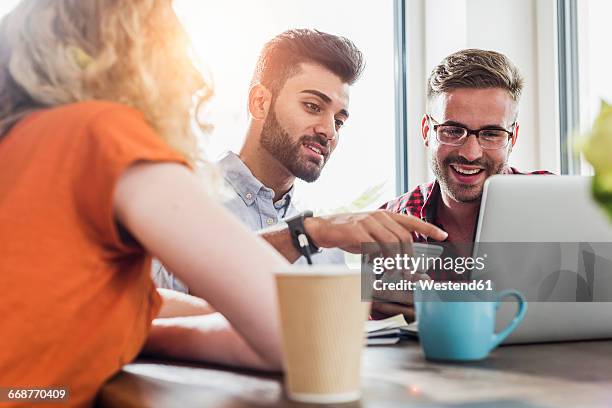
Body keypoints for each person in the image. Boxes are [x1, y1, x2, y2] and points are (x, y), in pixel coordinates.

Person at [0, 1, 445, 405]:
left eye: (340, 118)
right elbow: (306, 335)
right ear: (128, 55)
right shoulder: (105, 135)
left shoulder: (23, 149)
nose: (193, 79)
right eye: (171, 50)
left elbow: (147, 308)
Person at [155, 29, 448, 293]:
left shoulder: (327, 252)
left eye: (339, 121)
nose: (329, 131)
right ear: (260, 102)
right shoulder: (178, 197)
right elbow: (157, 306)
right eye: (312, 106)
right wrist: (304, 234)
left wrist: (365, 306)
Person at [375, 49, 551, 320]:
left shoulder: (552, 203)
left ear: (512, 138)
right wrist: (373, 307)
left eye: (491, 133)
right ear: (427, 131)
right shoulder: (392, 223)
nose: (470, 153)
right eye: (452, 130)